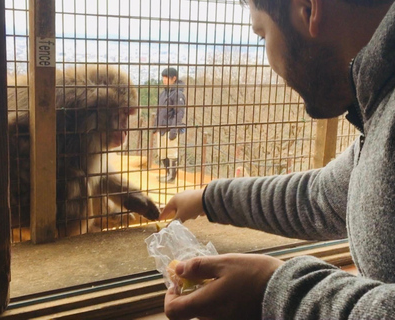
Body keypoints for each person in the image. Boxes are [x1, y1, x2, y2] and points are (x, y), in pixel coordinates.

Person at [159, 0, 395, 319]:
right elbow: (322, 197)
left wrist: (272, 290)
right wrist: (208, 199)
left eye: (261, 33)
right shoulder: (380, 104)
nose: (268, 56)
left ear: (309, 10)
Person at [153, 67, 186, 183]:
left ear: (174, 78)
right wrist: (155, 126)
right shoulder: (163, 93)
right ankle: (167, 174)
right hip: (162, 128)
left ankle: (172, 177)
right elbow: (159, 111)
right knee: (162, 153)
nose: (164, 80)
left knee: (172, 153)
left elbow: (179, 113)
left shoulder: (178, 94)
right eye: (163, 77)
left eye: (166, 78)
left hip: (170, 128)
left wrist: (174, 130)